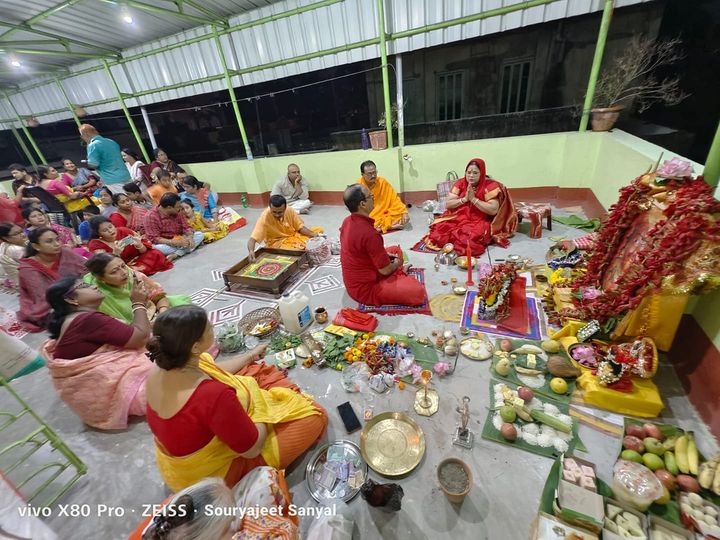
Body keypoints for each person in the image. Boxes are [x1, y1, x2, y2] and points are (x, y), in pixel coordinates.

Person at [145, 305, 327, 491]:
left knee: (251, 370)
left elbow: (214, 370)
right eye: (209, 328)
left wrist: (249, 356)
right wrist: (257, 402)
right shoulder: (212, 395)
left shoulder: (162, 367)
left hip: (177, 465)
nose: (213, 326)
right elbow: (252, 449)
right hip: (213, 478)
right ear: (195, 346)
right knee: (313, 416)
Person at [41, 277, 152, 430]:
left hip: (90, 397)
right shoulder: (87, 320)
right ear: (71, 299)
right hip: (103, 390)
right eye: (84, 285)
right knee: (174, 361)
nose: (92, 286)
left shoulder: (77, 318)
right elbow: (140, 338)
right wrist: (138, 303)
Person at [137, 473, 299, 539]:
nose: (235, 526)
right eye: (229, 526)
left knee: (264, 477)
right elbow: (287, 529)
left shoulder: (165, 521)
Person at [340, 184, 425, 306]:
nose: (374, 198)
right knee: (417, 292)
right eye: (371, 196)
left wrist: (385, 256)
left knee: (395, 250)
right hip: (365, 288)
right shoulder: (369, 234)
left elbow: (360, 251)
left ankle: (397, 274)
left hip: (356, 276)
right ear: (362, 204)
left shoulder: (347, 221)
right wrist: (396, 265)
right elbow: (385, 271)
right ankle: (399, 274)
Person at [422, 158, 517, 255]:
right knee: (439, 232)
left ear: (482, 173)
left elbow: (493, 210)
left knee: (469, 239)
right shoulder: (461, 183)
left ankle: (456, 250)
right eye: (469, 172)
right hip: (458, 216)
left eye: (475, 173)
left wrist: (474, 199)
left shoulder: (490, 186)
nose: (471, 176)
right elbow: (448, 204)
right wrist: (464, 199)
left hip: (480, 219)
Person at [84, 253, 190, 323]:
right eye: (114, 271)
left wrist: (163, 312)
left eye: (123, 266)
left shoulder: (132, 275)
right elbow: (124, 329)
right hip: (136, 328)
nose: (124, 272)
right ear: (101, 278)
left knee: (185, 309)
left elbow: (157, 295)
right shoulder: (100, 298)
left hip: (154, 312)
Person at [17, 227, 88, 331]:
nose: (57, 244)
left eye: (57, 239)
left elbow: (87, 269)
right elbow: (43, 295)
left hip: (78, 290)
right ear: (36, 246)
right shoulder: (28, 269)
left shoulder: (65, 252)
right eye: (49, 241)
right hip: (52, 303)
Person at [88, 216, 172, 276]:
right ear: (98, 233)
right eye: (105, 230)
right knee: (127, 271)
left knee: (155, 253)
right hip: (121, 267)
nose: (110, 231)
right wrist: (115, 254)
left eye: (111, 227)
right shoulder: (95, 244)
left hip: (138, 259)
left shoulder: (123, 231)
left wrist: (139, 245)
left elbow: (144, 251)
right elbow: (105, 265)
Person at [247, 195, 323, 261]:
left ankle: (304, 244)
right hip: (278, 242)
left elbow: (300, 227)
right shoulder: (264, 217)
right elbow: (252, 239)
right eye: (274, 212)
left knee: (319, 230)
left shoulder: (289, 210)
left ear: (285, 208)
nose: (277, 215)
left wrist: (314, 234)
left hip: (293, 235)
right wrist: (251, 251)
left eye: (280, 212)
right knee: (297, 250)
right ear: (270, 208)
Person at [144, 193, 203, 261]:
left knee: (199, 235)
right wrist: (174, 242)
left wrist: (190, 237)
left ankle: (176, 254)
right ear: (169, 207)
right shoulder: (150, 216)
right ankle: (185, 250)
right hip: (166, 243)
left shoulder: (177, 211)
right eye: (178, 207)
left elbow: (186, 227)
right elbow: (154, 238)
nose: (180, 209)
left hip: (181, 238)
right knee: (157, 248)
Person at [357, 160, 409, 233]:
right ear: (362, 174)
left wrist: (404, 212)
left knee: (401, 216)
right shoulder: (359, 186)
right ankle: (388, 226)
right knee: (366, 223)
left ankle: (383, 227)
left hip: (385, 211)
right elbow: (359, 208)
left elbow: (394, 199)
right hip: (371, 213)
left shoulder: (382, 182)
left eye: (374, 172)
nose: (373, 176)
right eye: (369, 174)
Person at [79, 123, 131, 192]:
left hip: (112, 179)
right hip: (126, 175)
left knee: (122, 200)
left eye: (81, 135)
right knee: (134, 198)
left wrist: (88, 161)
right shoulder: (111, 141)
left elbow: (93, 165)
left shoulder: (93, 145)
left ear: (86, 134)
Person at [23, 207, 90, 258]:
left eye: (40, 215)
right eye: (34, 216)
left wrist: (71, 245)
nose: (39, 217)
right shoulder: (27, 235)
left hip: (69, 250)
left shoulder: (56, 227)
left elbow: (70, 238)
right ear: (27, 220)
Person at [0, 223, 27, 289]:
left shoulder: (3, 244)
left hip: (9, 281)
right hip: (23, 283)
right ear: (6, 238)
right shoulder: (17, 250)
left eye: (22, 231)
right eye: (16, 234)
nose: (23, 235)